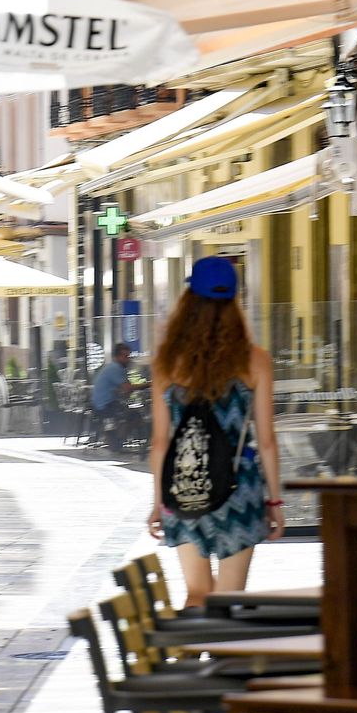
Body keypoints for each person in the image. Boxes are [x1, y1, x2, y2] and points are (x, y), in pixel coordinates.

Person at [147, 256, 285, 605]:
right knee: (229, 596)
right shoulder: (256, 361)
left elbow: (160, 443)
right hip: (239, 487)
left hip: (184, 486)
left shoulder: (166, 363)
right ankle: (222, 641)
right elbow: (267, 441)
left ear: (188, 301)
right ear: (234, 301)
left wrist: (158, 502)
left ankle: (194, 642)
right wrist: (274, 501)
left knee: (196, 593)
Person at [92, 343, 144, 451]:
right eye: (125, 356)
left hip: (103, 404)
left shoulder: (116, 368)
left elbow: (126, 389)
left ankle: (114, 440)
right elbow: (128, 388)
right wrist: (150, 384)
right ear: (117, 357)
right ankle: (116, 442)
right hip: (105, 406)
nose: (128, 359)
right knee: (135, 416)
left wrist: (125, 391)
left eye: (129, 356)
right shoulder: (115, 368)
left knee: (130, 413)